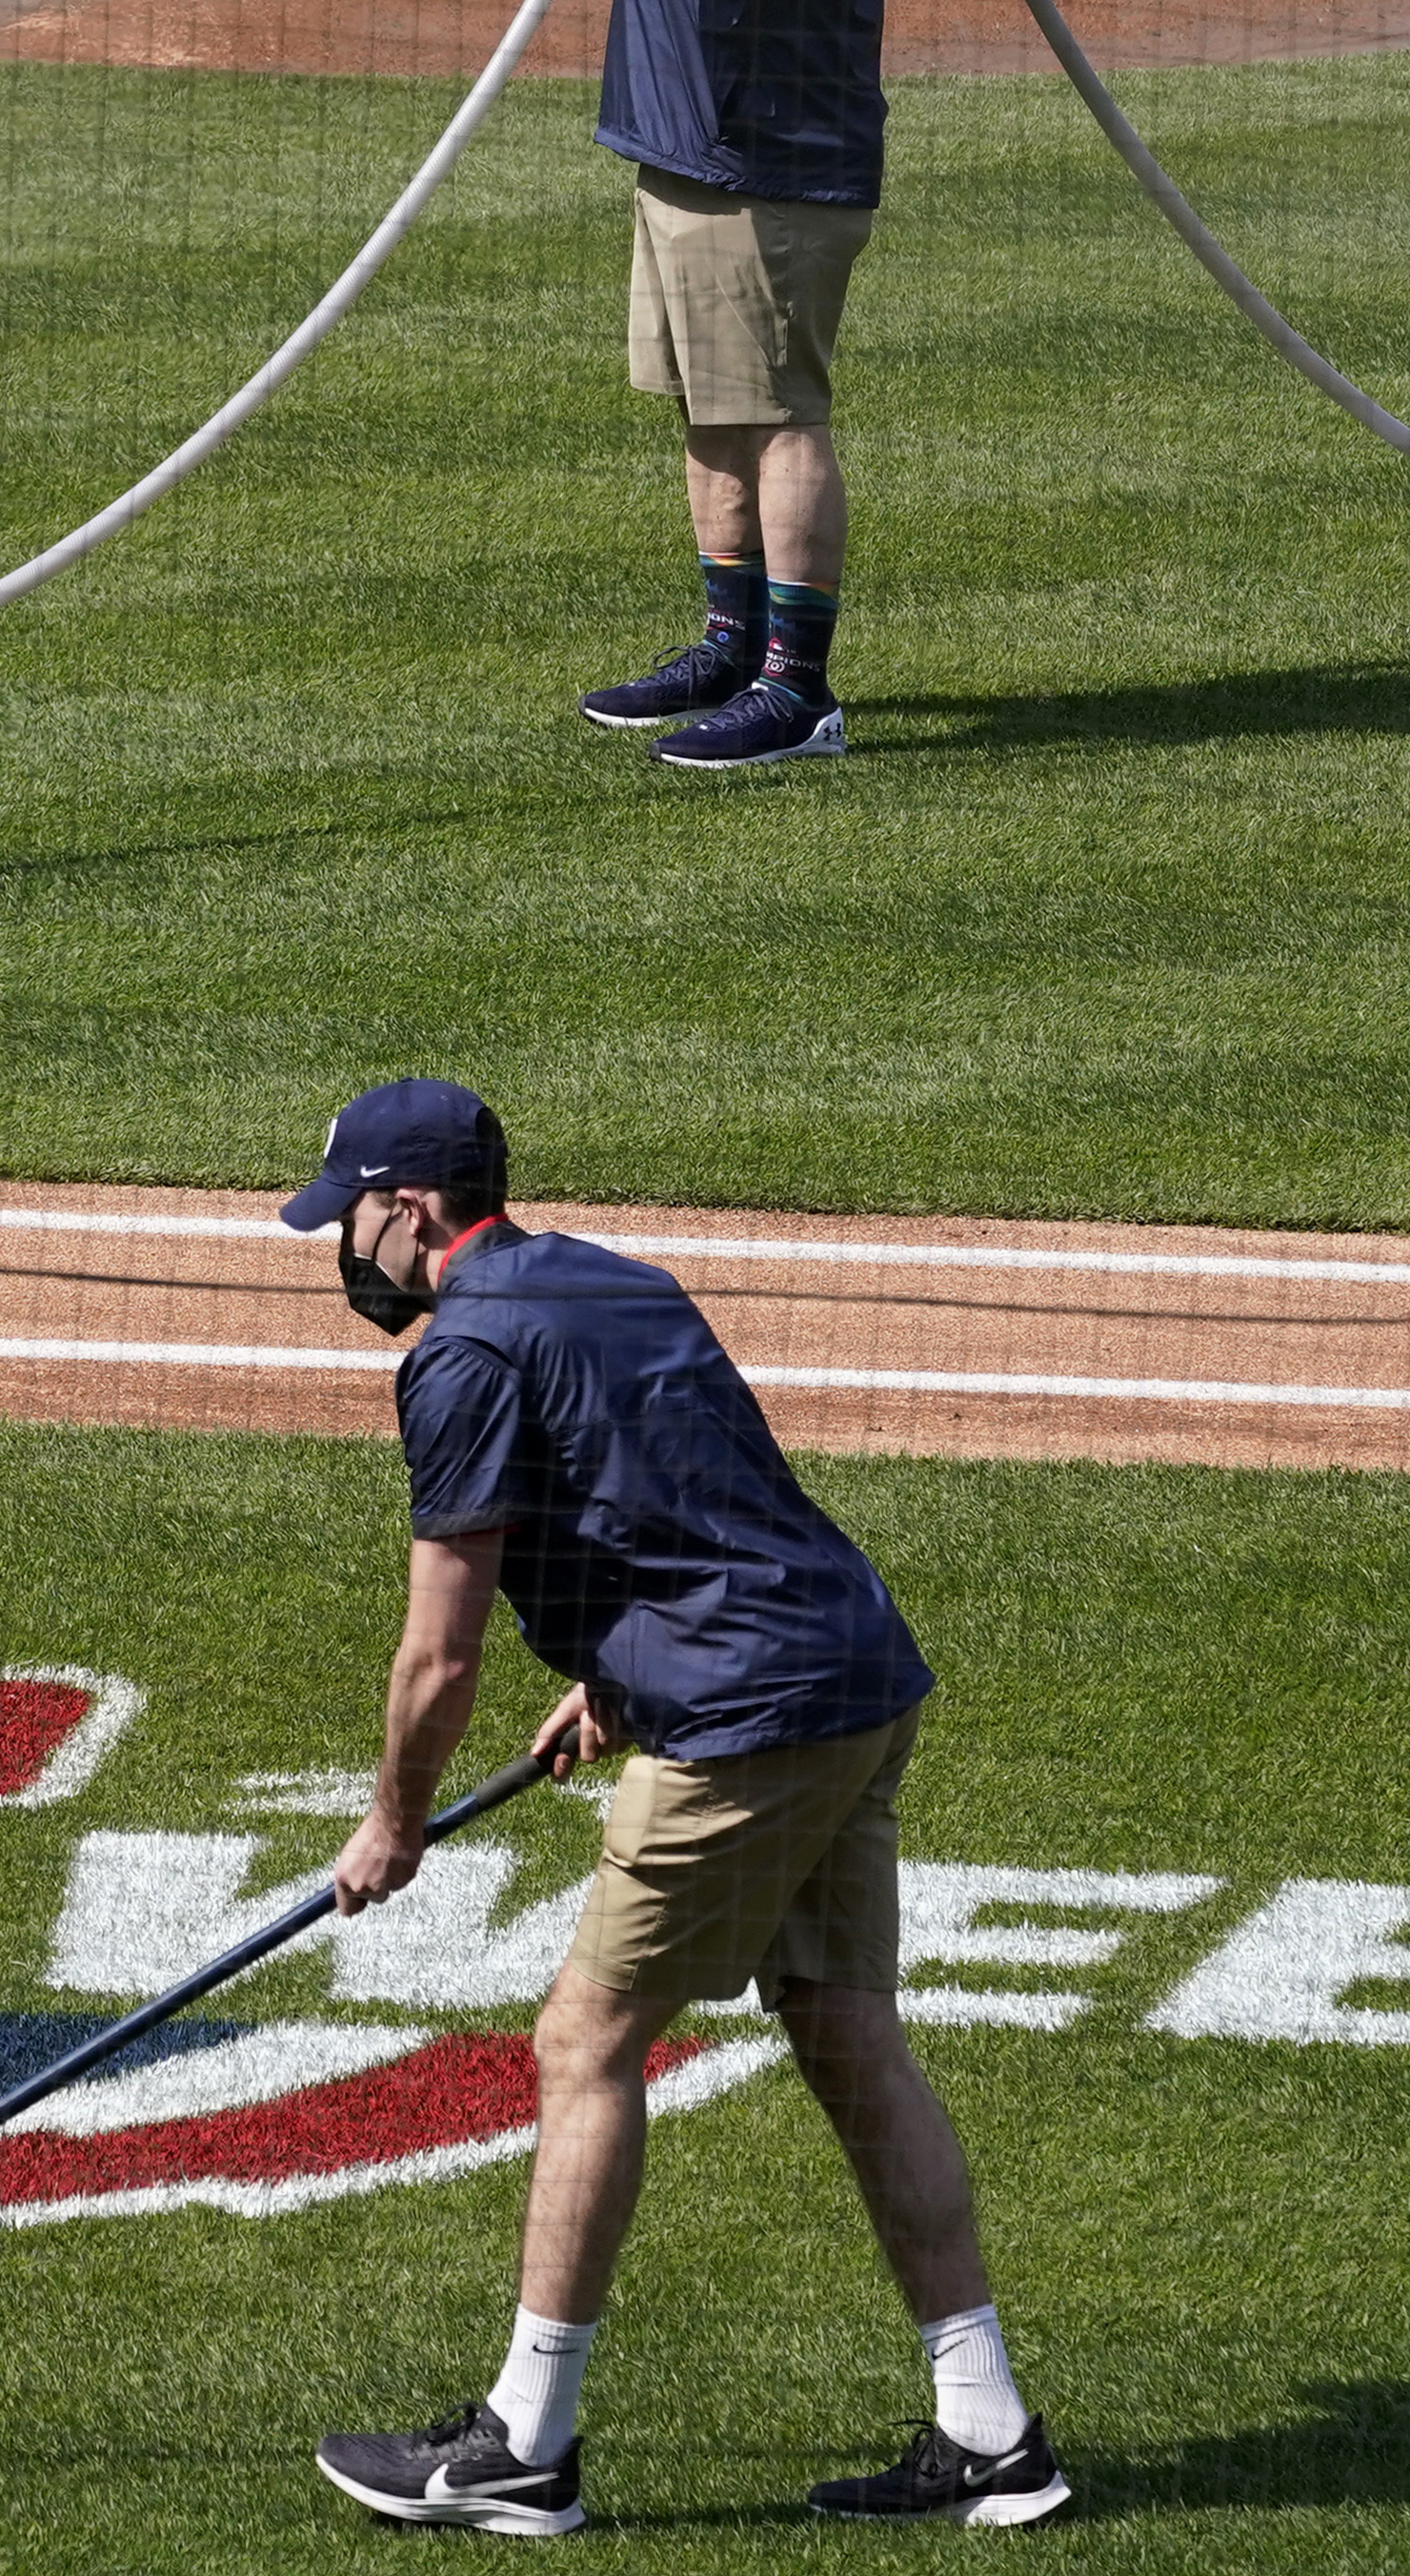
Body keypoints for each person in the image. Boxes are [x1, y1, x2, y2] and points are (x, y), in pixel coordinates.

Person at [282, 1079, 1068, 2536]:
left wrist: (394, 1820)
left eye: (352, 1216)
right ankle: (990, 2429)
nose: (345, 1247)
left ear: (411, 1207)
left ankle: (524, 2442)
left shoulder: (456, 1361)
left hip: (751, 1723)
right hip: (855, 1673)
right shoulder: (616, 1282)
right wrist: (621, 1678)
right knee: (842, 2026)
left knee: (584, 2038)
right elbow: (691, 1506)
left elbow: (436, 1657)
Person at [572, 0, 884, 773]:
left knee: (779, 412)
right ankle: (729, 642)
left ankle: (797, 690)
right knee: (712, 405)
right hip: (692, 138)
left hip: (768, 149)